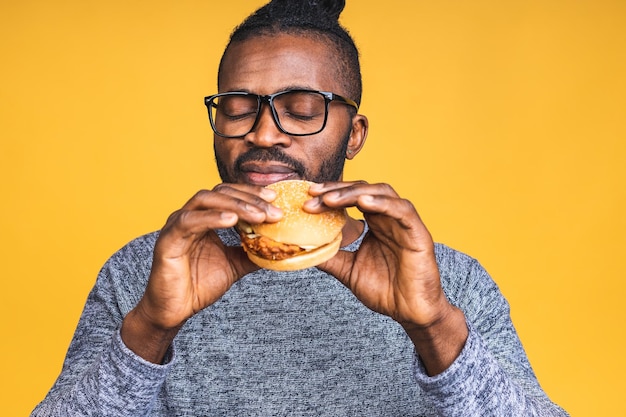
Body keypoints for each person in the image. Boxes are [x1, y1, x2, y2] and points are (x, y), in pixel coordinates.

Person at [32, 0, 569, 415]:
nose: (264, 133)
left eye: (302, 110)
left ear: (353, 135)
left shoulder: (449, 280)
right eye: (238, 109)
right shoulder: (141, 272)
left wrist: (435, 327)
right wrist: (150, 327)